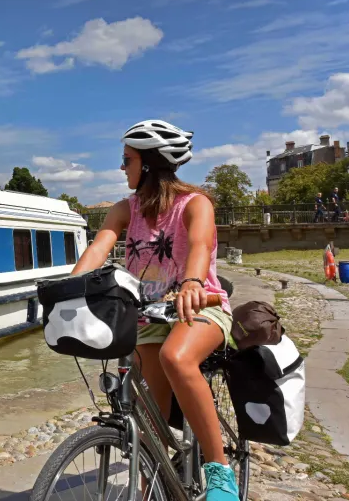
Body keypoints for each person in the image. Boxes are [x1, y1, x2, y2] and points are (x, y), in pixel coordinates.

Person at [72, 119, 238, 500]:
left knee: (176, 358)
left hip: (201, 306)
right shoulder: (124, 208)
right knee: (149, 415)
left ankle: (220, 472)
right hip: (148, 315)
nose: (121, 167)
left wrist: (192, 283)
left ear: (148, 163)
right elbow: (99, 248)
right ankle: (151, 485)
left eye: (127, 159)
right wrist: (67, 285)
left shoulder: (195, 203)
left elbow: (198, 244)